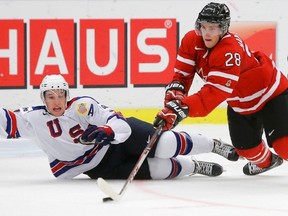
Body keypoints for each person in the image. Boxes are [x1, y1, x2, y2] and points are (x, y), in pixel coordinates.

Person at [0, 74, 239, 180]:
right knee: (158, 170)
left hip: (124, 138)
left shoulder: (83, 107)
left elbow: (118, 123)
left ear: (67, 95)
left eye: (60, 95)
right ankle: (195, 166)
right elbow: (3, 119)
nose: (56, 101)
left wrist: (107, 131)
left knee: (165, 144)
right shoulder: (32, 120)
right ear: (43, 99)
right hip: (99, 167)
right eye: (50, 96)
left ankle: (212, 144)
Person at [154, 2, 288, 176]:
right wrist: (173, 99)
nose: (207, 33)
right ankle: (269, 162)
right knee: (246, 150)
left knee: (284, 146)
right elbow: (182, 76)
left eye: (213, 28)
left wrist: (182, 108)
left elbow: (214, 92)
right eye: (203, 27)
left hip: (271, 94)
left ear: (223, 28)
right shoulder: (191, 41)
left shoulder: (229, 51)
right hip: (241, 103)